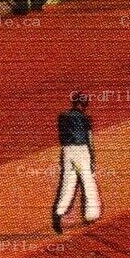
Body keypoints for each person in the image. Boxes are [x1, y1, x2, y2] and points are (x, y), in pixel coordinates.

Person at [52, 92, 100, 233]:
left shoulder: (62, 117)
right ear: (82, 104)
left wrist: (65, 155)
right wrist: (92, 159)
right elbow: (90, 141)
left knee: (68, 184)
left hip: (67, 151)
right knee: (88, 182)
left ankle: (58, 214)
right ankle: (91, 215)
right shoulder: (86, 118)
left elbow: (62, 138)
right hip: (82, 151)